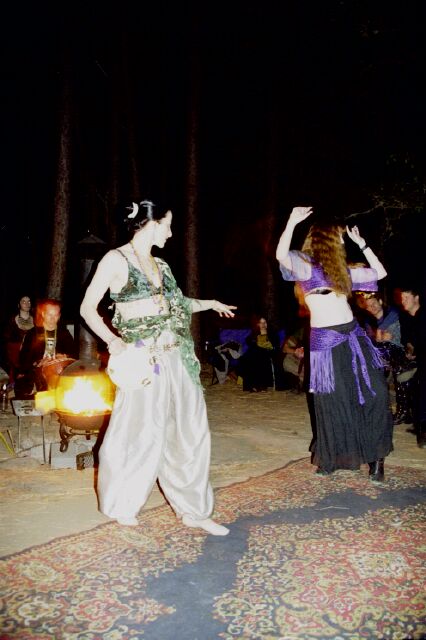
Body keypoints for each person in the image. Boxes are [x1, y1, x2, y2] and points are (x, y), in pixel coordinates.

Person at [80, 199, 236, 534]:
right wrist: (113, 341)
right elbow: (87, 308)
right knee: (139, 432)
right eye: (167, 225)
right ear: (151, 224)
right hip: (143, 362)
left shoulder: (162, 265)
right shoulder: (116, 259)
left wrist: (210, 303)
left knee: (190, 431)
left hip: (176, 358)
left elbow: (177, 305)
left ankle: (194, 510)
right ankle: (122, 503)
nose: (170, 233)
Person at [276, 206, 393, 481]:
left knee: (375, 393)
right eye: (340, 235)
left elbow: (380, 273)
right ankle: (330, 458)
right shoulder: (305, 265)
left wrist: (362, 244)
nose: (343, 239)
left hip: (353, 338)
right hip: (325, 342)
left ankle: (376, 458)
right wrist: (291, 222)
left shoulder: (344, 271)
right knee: (331, 402)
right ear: (327, 237)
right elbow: (281, 255)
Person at [355, 292, 416, 425]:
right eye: (369, 306)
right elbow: (370, 343)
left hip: (401, 351)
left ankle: (404, 412)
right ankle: (389, 411)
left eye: (374, 303)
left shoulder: (393, 313)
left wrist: (386, 335)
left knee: (399, 368)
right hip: (384, 356)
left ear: (380, 302)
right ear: (367, 309)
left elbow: (404, 336)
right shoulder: (369, 323)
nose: (373, 307)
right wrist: (379, 340)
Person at [16, 299, 76, 398]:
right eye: (49, 314)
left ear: (59, 316)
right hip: (37, 371)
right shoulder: (33, 333)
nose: (52, 318)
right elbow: (23, 359)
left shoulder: (63, 333)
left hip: (59, 370)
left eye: (55, 315)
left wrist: (64, 356)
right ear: (43, 314)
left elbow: (74, 353)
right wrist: (38, 362)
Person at [398, 286, 426, 448]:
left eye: (406, 298)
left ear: (416, 298)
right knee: (415, 385)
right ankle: (418, 424)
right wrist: (410, 349)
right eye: (402, 298)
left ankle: (423, 429)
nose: (403, 301)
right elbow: (408, 341)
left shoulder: (423, 316)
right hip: (418, 361)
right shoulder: (407, 318)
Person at [237, 316, 285, 391]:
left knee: (257, 356)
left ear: (267, 324)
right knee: (246, 358)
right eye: (261, 323)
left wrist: (265, 343)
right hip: (256, 355)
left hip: (269, 356)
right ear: (257, 324)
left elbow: (276, 348)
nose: (263, 325)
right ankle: (250, 385)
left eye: (264, 322)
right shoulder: (253, 335)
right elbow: (251, 345)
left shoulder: (273, 335)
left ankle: (258, 384)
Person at [3, 296, 34, 383]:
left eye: (29, 301)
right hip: (14, 358)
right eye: (23, 302)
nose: (27, 304)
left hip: (30, 357)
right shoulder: (12, 320)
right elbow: (6, 342)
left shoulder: (36, 319)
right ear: (19, 305)